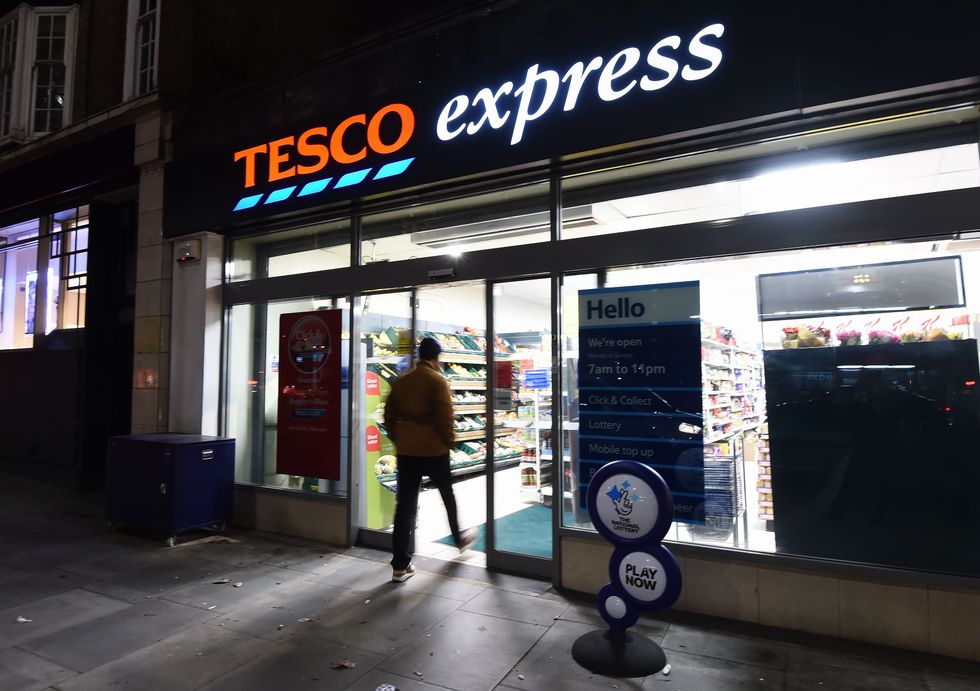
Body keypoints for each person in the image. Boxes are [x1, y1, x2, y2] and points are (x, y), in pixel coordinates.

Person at [384, 336, 475, 581]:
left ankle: (400, 566)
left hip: (406, 451)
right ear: (437, 357)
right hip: (434, 450)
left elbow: (388, 415)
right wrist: (449, 442)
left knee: (405, 506)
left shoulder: (402, 382)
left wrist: (399, 437)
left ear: (418, 355)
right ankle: (459, 539)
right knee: (447, 495)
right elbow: (446, 416)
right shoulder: (438, 380)